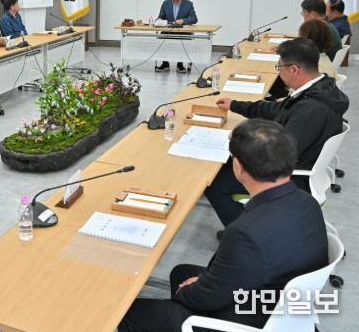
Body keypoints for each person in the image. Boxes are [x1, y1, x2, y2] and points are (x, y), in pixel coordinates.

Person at [118, 119, 328, 332]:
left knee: (125, 314)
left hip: (250, 320)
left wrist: (189, 292)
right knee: (182, 273)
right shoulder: (307, 202)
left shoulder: (246, 234)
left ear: (238, 167)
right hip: (282, 304)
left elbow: (210, 298)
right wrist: (201, 285)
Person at [205, 38, 348, 227]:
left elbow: (279, 155)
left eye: (279, 66)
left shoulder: (311, 109)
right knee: (222, 164)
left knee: (214, 184)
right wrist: (235, 105)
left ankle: (246, 232)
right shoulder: (318, 89)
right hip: (302, 161)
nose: (279, 71)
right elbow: (276, 110)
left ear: (294, 69)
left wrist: (242, 139)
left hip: (292, 177)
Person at [155, 0, 198, 73]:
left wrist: (183, 20)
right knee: (162, 37)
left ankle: (180, 64)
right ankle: (165, 64)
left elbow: (194, 19)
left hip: (182, 32)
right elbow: (161, 17)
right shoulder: (166, 3)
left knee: (183, 39)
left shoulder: (188, 4)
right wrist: (158, 20)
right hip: (168, 31)